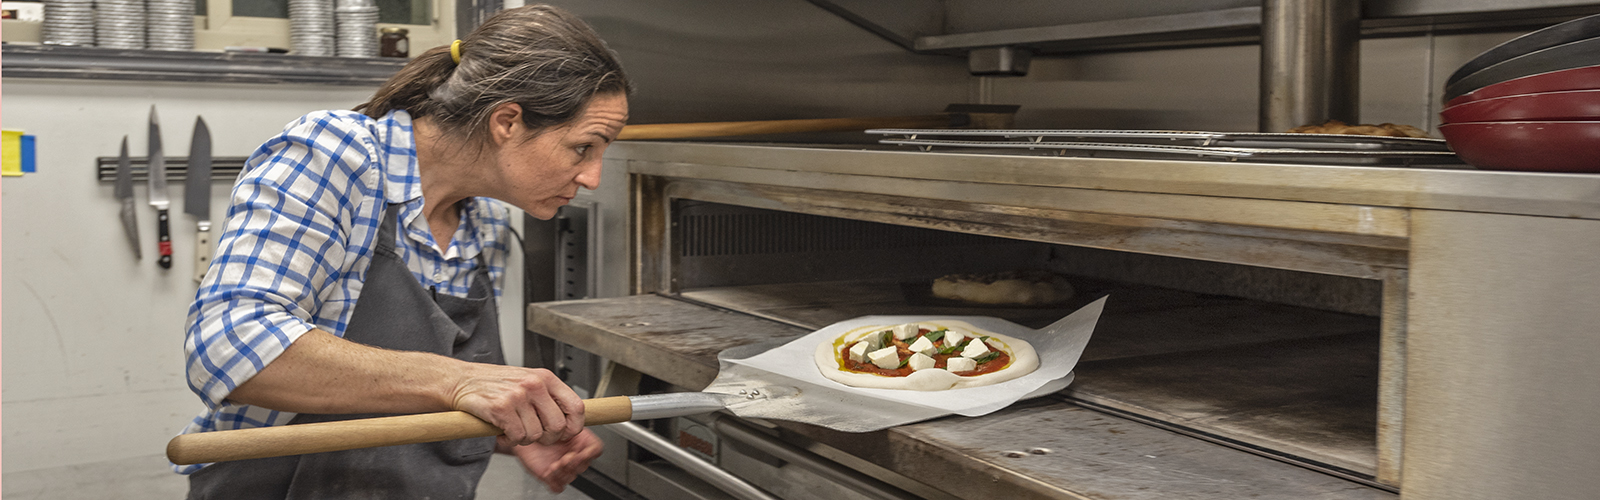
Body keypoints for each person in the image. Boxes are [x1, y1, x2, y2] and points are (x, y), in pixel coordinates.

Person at [174, 5, 629, 498]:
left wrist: (512, 426)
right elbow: (228, 345)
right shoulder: (337, 156)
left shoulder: (485, 223)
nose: (592, 178)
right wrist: (460, 381)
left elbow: (418, 398)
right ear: (508, 122)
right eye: (584, 147)